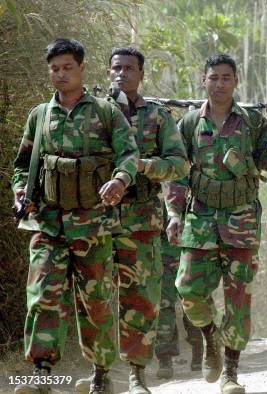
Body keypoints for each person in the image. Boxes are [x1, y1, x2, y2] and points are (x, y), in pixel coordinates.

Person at [12, 38, 139, 394]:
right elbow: (23, 166)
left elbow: (129, 154)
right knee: (42, 298)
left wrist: (119, 178)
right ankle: (41, 376)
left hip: (92, 225)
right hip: (49, 223)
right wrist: (20, 192)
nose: (61, 74)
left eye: (68, 67)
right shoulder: (39, 115)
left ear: (82, 68)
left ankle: (100, 374)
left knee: (95, 301)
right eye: (54, 69)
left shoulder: (104, 112)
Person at [165, 53, 267, 394]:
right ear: (203, 81)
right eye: (213, 77)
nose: (219, 84)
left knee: (238, 301)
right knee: (188, 288)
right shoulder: (189, 124)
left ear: (236, 82)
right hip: (200, 221)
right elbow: (178, 175)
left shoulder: (252, 123)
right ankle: (209, 335)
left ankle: (230, 373)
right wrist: (174, 214)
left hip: (241, 222)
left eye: (226, 77)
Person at [74, 46, 190, 394]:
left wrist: (144, 166)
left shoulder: (157, 117)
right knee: (94, 296)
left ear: (141, 74)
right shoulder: (91, 112)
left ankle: (138, 373)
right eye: (116, 68)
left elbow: (180, 164)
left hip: (140, 217)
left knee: (140, 297)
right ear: (107, 72)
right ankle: (100, 373)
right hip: (95, 218)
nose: (121, 73)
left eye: (129, 68)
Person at [154, 202, 203, 379]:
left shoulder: (187, 179)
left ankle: (199, 352)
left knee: (193, 302)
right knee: (164, 304)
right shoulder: (155, 178)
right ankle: (164, 359)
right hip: (163, 252)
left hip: (191, 248)